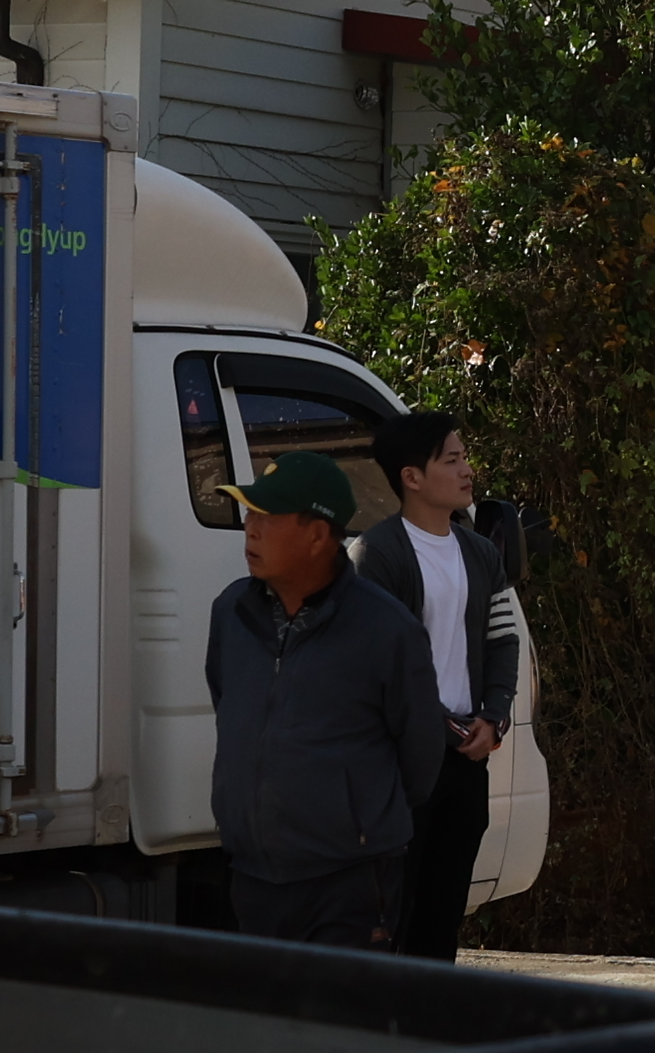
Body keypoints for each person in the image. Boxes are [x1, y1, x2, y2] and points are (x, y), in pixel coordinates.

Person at [202, 458, 449, 945]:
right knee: (264, 1019)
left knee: (339, 1019)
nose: (249, 530)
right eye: (248, 514)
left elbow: (420, 757)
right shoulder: (231, 612)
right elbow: (227, 703)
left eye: (266, 518)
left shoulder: (387, 630)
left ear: (317, 536)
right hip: (254, 875)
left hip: (350, 883)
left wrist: (354, 821)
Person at [352, 408, 522, 961]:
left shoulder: (480, 552)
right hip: (404, 765)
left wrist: (492, 718)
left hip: (467, 761)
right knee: (389, 916)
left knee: (443, 915)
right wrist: (451, 729)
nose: (467, 469)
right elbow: (381, 668)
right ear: (412, 477)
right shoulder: (377, 556)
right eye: (451, 460)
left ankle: (432, 1027)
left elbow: (502, 639)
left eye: (464, 457)